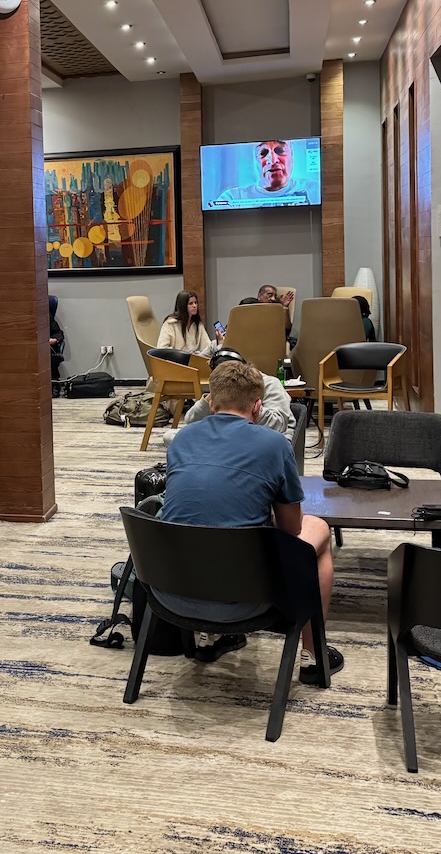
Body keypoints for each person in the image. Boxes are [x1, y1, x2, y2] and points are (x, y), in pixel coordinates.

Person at [155, 360, 339, 681]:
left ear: (212, 403)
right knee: (318, 531)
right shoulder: (274, 445)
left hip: (169, 592)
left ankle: (208, 638)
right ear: (257, 407)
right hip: (245, 599)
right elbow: (291, 529)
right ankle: (313, 656)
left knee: (208, 527)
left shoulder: (182, 439)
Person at [161, 347, 294, 446]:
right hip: (225, 433)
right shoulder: (220, 385)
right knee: (171, 436)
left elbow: (279, 425)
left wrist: (249, 407)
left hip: (260, 436)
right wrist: (211, 397)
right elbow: (191, 422)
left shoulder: (270, 383)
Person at [214, 140, 315, 206]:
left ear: (292, 157)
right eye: (263, 153)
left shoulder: (315, 190)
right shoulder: (233, 198)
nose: (272, 160)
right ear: (255, 161)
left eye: (280, 150)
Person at [156, 290, 216, 357]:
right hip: (176, 360)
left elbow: (207, 347)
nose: (194, 306)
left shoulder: (198, 325)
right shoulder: (170, 324)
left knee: (214, 345)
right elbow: (162, 349)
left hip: (194, 360)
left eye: (195, 303)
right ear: (183, 306)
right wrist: (181, 355)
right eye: (190, 303)